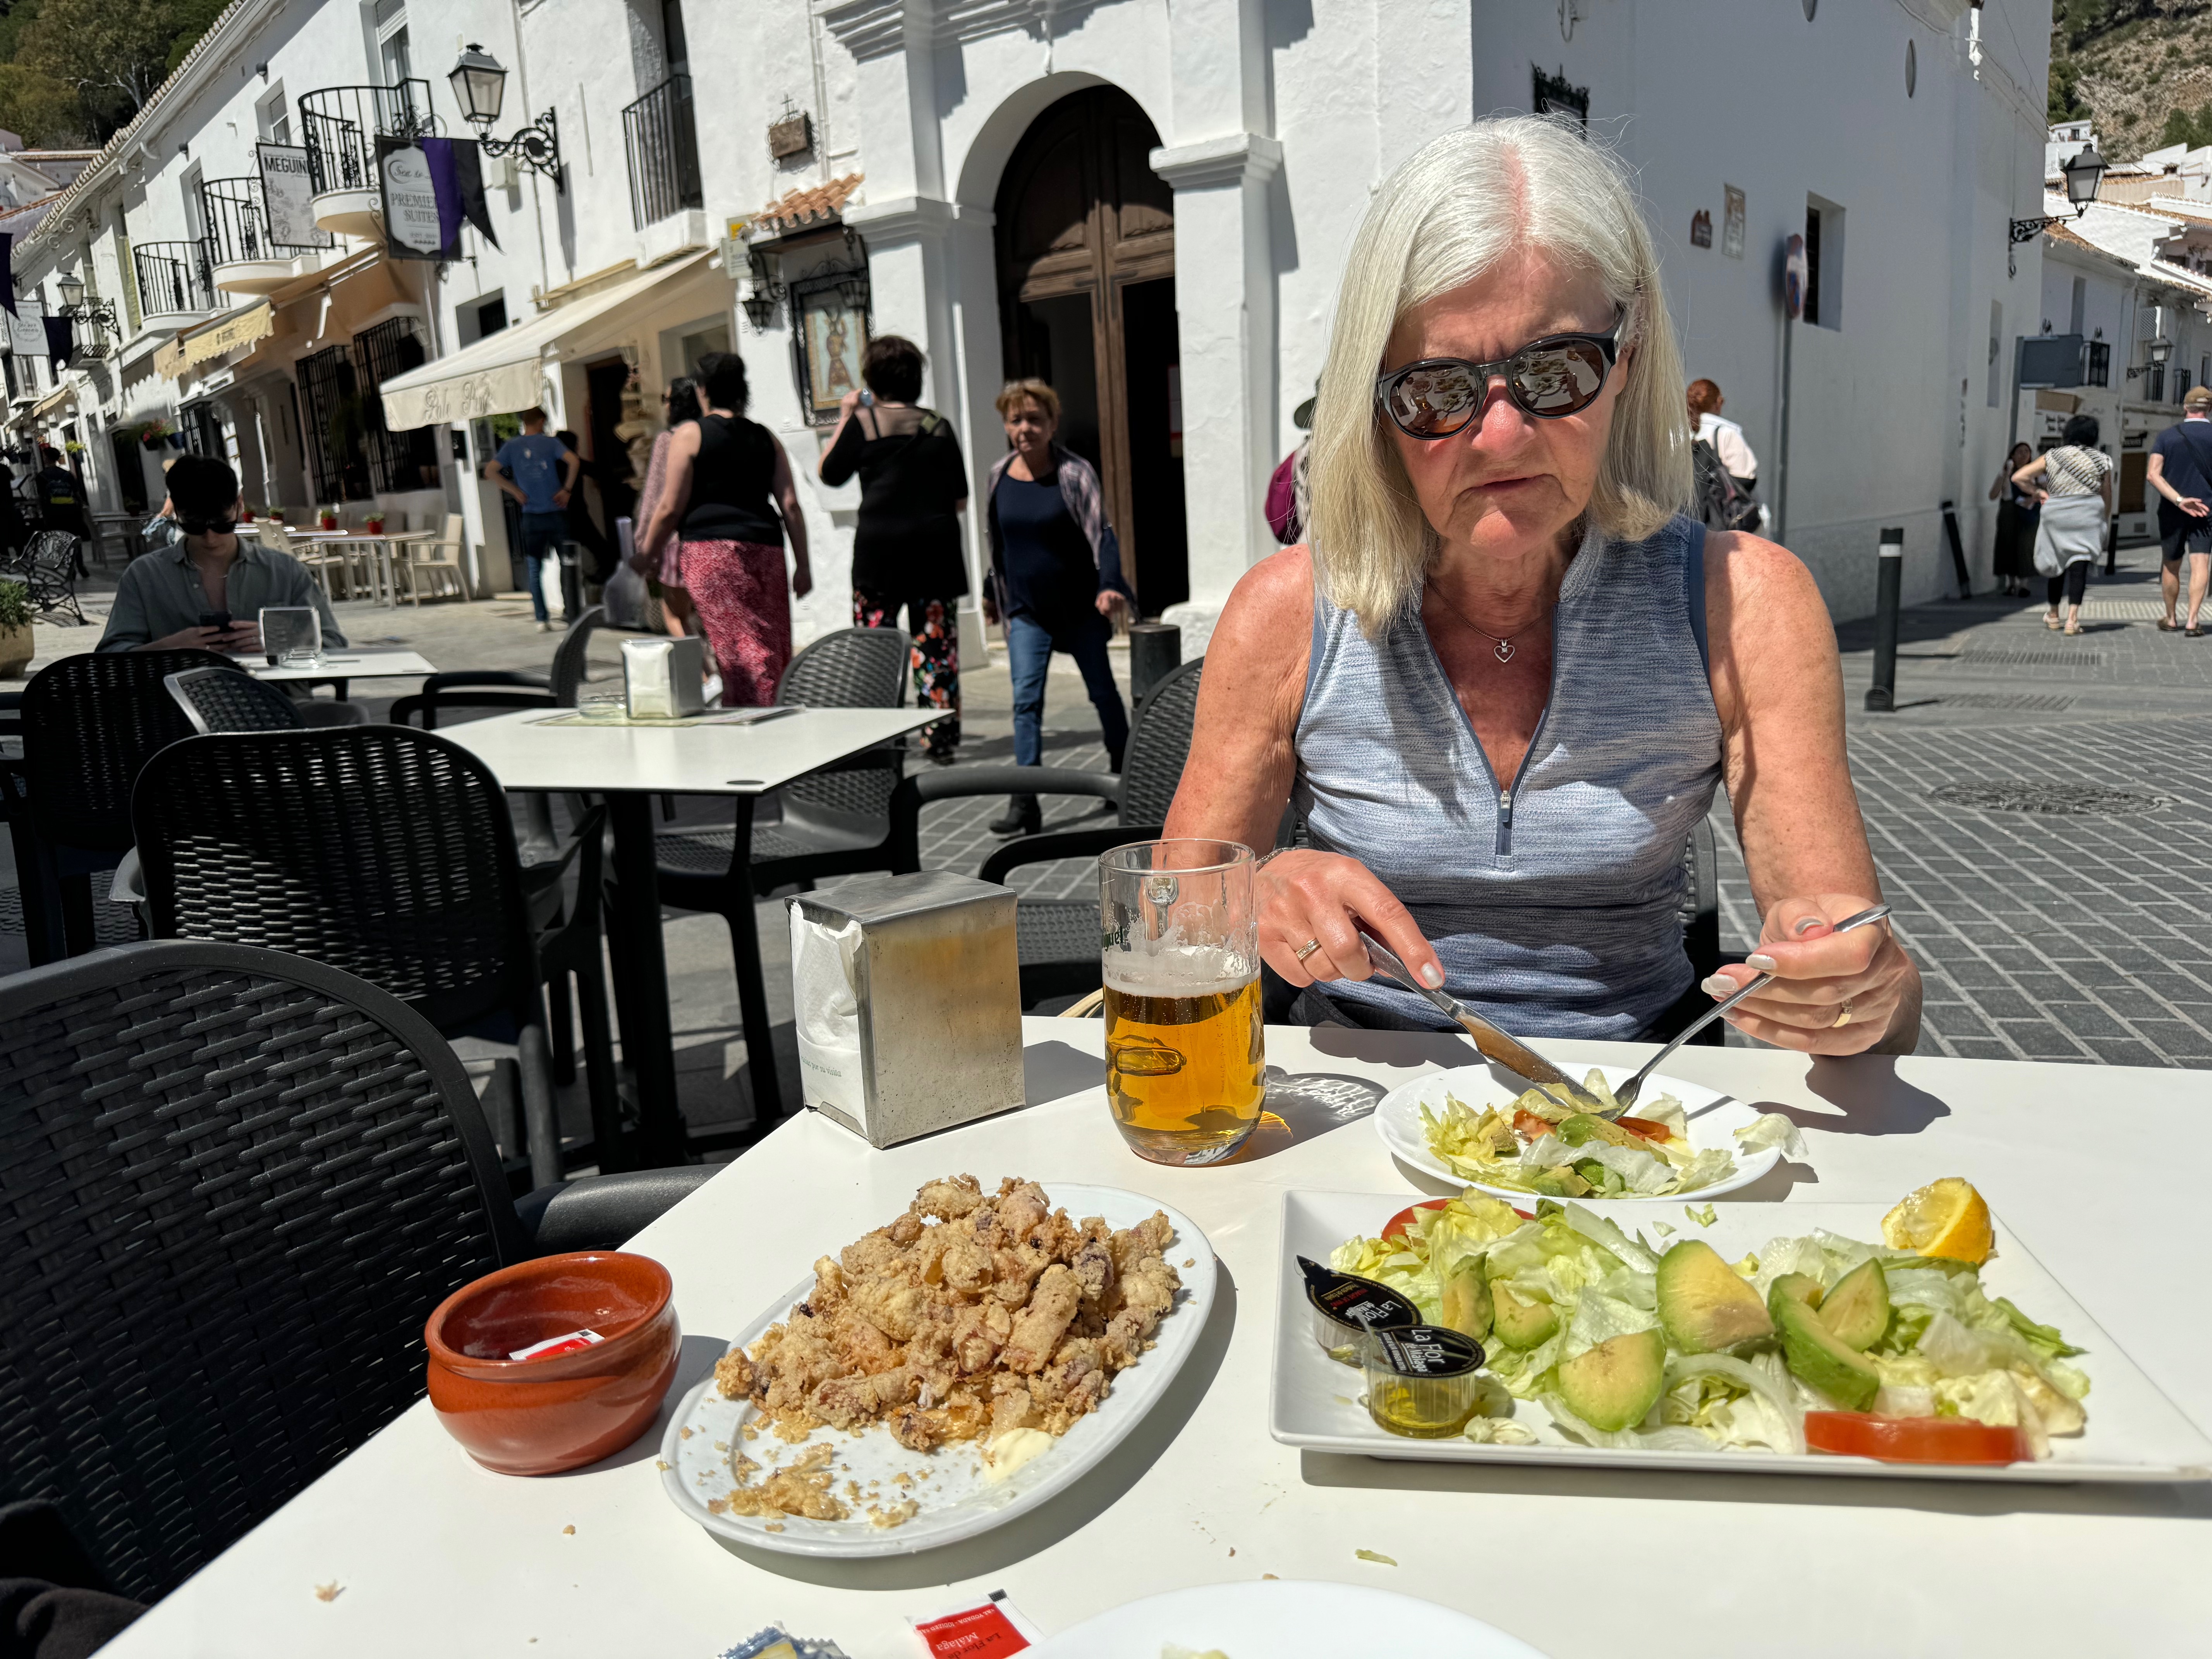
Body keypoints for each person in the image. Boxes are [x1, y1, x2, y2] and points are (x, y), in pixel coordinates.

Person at [1163, 116, 1921, 1056]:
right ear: (1376, 404)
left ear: (1627, 363)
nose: (1501, 437)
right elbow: (1171, 916)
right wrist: (1255, 888)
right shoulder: (1288, 613)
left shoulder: (1742, 603)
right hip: (1359, 1102)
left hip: (1631, 1098)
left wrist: (1862, 993)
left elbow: (1849, 964)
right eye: (1437, 389)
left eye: (1557, 371)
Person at [984, 378, 1134, 836]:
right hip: (1027, 611)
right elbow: (999, 545)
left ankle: (1124, 781)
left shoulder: (1074, 473)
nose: (1025, 429)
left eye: (1035, 419)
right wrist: (991, 593)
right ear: (1006, 426)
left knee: (1103, 694)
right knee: (1025, 702)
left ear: (1052, 424)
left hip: (1079, 610)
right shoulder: (998, 475)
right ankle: (1025, 803)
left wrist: (1109, 586)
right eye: (1016, 420)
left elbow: (1102, 534)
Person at [819, 335, 971, 762]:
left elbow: (829, 473)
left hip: (878, 556)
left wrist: (846, 414)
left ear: (872, 377)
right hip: (934, 555)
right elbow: (960, 499)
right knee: (936, 648)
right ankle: (939, 740)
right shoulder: (938, 425)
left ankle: (879, 740)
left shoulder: (863, 423)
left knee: (876, 649)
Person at [638, 351, 813, 706]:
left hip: (712, 553)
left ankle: (751, 717)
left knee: (735, 648)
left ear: (703, 390)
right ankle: (773, 710)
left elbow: (670, 508)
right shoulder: (765, 437)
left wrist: (646, 555)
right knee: (770, 643)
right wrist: (804, 565)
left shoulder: (689, 436)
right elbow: (791, 505)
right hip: (767, 550)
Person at [98, 452, 344, 653]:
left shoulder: (283, 571)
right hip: (179, 699)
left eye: (222, 523)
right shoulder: (145, 576)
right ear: (176, 514)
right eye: (194, 525)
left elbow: (334, 643)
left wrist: (279, 641)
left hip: (277, 695)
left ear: (239, 505)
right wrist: (168, 649)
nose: (210, 537)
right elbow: (110, 657)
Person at [2014, 416, 2112, 638]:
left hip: (2057, 511)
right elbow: (2106, 493)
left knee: (2056, 562)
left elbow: (2019, 477)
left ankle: (2053, 615)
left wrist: (2039, 493)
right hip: (2088, 513)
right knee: (2080, 564)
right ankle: (2072, 620)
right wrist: (2103, 519)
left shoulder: (2053, 456)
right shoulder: (2102, 460)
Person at [484, 406, 580, 632]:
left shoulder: (512, 446)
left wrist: (515, 491)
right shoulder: (551, 443)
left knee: (534, 567)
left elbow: (490, 471)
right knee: (566, 564)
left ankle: (541, 619)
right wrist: (567, 490)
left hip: (531, 515)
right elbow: (574, 461)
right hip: (556, 511)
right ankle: (571, 613)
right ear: (541, 422)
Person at [632, 377, 704, 643]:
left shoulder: (669, 439)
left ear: (675, 405)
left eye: (666, 400)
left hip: (677, 541)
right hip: (710, 539)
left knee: (674, 615)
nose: (664, 405)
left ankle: (704, 667)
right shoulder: (707, 434)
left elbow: (654, 495)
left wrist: (644, 544)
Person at [2147, 385, 2212, 636]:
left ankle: (2171, 618)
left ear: (2185, 408)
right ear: (2209, 409)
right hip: (2206, 509)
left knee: (2171, 564)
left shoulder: (2167, 437)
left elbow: (2153, 475)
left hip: (2173, 510)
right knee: (2201, 564)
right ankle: (2193, 621)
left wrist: (2179, 500)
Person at [1686, 379, 1759, 530]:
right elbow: (1746, 478)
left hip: (1683, 520)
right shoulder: (1725, 433)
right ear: (1718, 402)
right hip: (1719, 526)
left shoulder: (1676, 433)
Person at [1987, 441, 2039, 599]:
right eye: (2020, 452)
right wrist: (2005, 474)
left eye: (2027, 452)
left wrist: (2033, 499)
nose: (2024, 455)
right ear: (2013, 456)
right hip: (2009, 511)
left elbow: (2045, 491)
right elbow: (1993, 495)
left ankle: (2024, 585)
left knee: (2025, 546)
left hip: (2028, 512)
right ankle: (2011, 584)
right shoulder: (2006, 473)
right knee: (2007, 545)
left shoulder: (2035, 473)